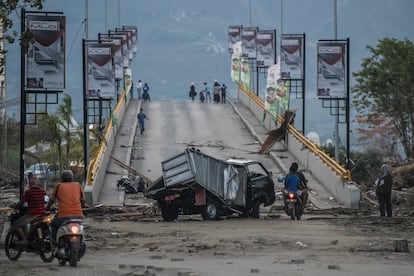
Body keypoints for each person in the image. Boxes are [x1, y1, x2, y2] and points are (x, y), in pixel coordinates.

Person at [46, 170, 86, 244]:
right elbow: (83, 200)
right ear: (72, 178)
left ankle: (55, 243)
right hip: (78, 216)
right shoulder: (78, 185)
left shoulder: (59, 186)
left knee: (53, 224)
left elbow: (52, 200)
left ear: (61, 178)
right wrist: (82, 207)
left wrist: (47, 208)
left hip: (64, 216)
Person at [13, 176, 46, 244]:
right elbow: (45, 201)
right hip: (42, 214)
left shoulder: (29, 192)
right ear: (37, 183)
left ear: (29, 184)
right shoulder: (42, 191)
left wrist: (15, 206)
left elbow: (21, 203)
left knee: (16, 225)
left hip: (32, 215)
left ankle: (25, 240)